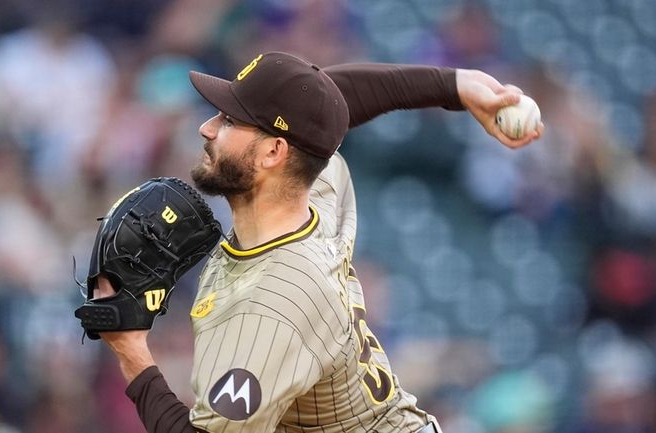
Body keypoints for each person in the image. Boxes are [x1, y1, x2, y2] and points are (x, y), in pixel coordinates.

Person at [92, 51, 543, 433]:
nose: (207, 128)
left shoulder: (271, 306)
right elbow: (328, 101)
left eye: (229, 119)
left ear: (273, 152)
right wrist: (455, 85)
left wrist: (131, 350)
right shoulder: (314, 187)